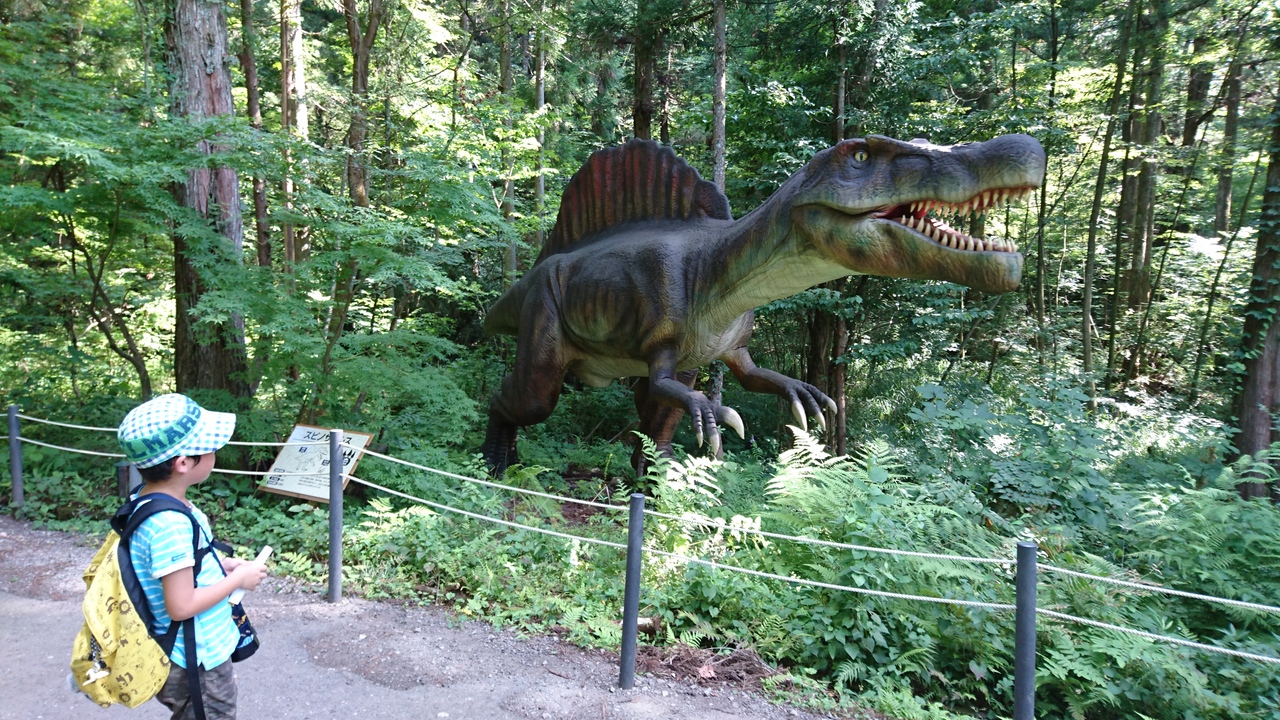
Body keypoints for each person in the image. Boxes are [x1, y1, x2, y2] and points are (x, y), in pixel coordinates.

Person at [116, 394, 269, 720]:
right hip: (195, 657)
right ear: (183, 463)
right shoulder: (168, 524)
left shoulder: (150, 500)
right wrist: (236, 581)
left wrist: (222, 564)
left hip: (191, 649)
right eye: (209, 447)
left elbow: (180, 565)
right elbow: (181, 605)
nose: (215, 453)